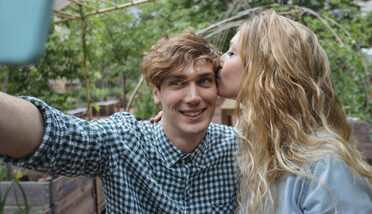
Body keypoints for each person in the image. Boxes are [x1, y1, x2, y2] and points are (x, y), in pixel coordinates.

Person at [0, 29, 238, 213]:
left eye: (204, 81)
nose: (194, 97)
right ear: (156, 92)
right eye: (177, 82)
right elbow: (56, 138)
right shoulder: (122, 141)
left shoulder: (238, 149)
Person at [217, 10, 372, 213]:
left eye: (231, 53)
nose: (219, 60)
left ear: (265, 70)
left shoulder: (325, 166)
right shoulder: (261, 146)